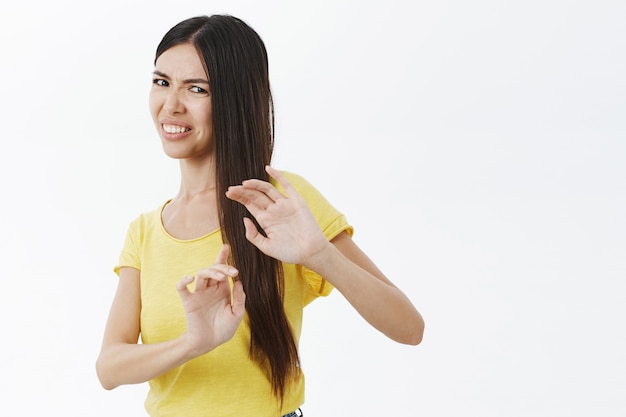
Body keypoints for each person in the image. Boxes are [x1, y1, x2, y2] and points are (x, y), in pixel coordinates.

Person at [96, 14, 424, 417]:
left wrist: (318, 255)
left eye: (197, 89)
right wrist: (194, 343)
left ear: (235, 99)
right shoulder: (144, 231)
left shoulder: (280, 203)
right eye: (162, 82)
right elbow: (109, 368)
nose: (171, 105)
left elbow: (409, 327)